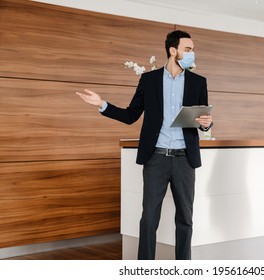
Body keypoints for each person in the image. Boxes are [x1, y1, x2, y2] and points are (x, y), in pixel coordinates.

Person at [76, 30, 213, 260]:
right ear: (173, 50)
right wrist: (102, 104)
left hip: (185, 160)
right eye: (188, 49)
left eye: (192, 49)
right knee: (148, 218)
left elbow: (201, 120)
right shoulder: (148, 80)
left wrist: (207, 125)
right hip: (156, 159)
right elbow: (131, 115)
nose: (192, 53)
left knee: (185, 219)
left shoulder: (198, 82)